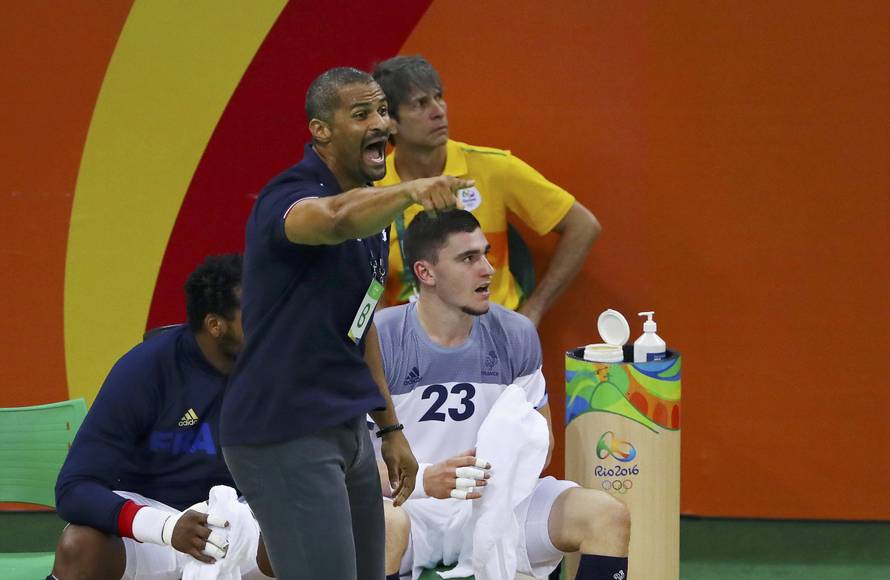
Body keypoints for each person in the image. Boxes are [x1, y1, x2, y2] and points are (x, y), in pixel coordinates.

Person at [219, 67, 474, 580]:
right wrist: (410, 191)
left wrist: (391, 428)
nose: (379, 122)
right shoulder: (286, 198)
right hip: (284, 429)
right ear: (321, 131)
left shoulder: (375, 223)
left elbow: (362, 325)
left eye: (382, 111)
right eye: (361, 114)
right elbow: (334, 218)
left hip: (347, 427)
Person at [373, 210, 630, 580]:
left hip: (493, 505)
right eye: (467, 258)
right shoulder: (380, 341)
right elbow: (347, 467)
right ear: (426, 273)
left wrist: (502, 469)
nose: (487, 269)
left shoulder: (516, 333)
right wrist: (427, 478)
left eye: (485, 253)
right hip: (406, 506)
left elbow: (543, 445)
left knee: (605, 515)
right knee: (383, 526)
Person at [52, 254, 274, 579]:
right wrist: (167, 527)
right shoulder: (145, 369)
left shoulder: (279, 368)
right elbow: (73, 489)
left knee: (305, 536)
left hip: (235, 524)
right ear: (215, 325)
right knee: (79, 545)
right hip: (153, 529)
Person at [372, 55, 602, 327]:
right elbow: (362, 277)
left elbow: (584, 225)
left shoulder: (493, 168)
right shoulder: (371, 190)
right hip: (412, 343)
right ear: (391, 122)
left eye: (439, 97)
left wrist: (534, 309)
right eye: (420, 104)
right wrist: (382, 332)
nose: (438, 110)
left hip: (496, 336)